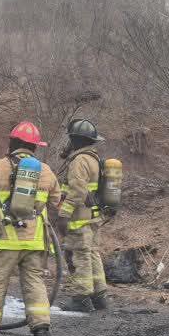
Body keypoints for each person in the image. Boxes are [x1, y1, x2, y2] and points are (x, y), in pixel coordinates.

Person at [0, 121, 62, 336]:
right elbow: (56, 199)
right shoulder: (46, 171)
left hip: (6, 239)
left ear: (13, 142)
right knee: (34, 282)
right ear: (34, 147)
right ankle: (41, 329)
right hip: (36, 240)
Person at [55, 118, 110, 313]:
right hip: (93, 217)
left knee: (80, 255)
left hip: (80, 218)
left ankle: (81, 297)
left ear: (77, 140)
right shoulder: (94, 159)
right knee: (92, 253)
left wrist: (63, 214)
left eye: (71, 138)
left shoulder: (79, 160)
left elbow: (77, 192)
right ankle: (99, 295)